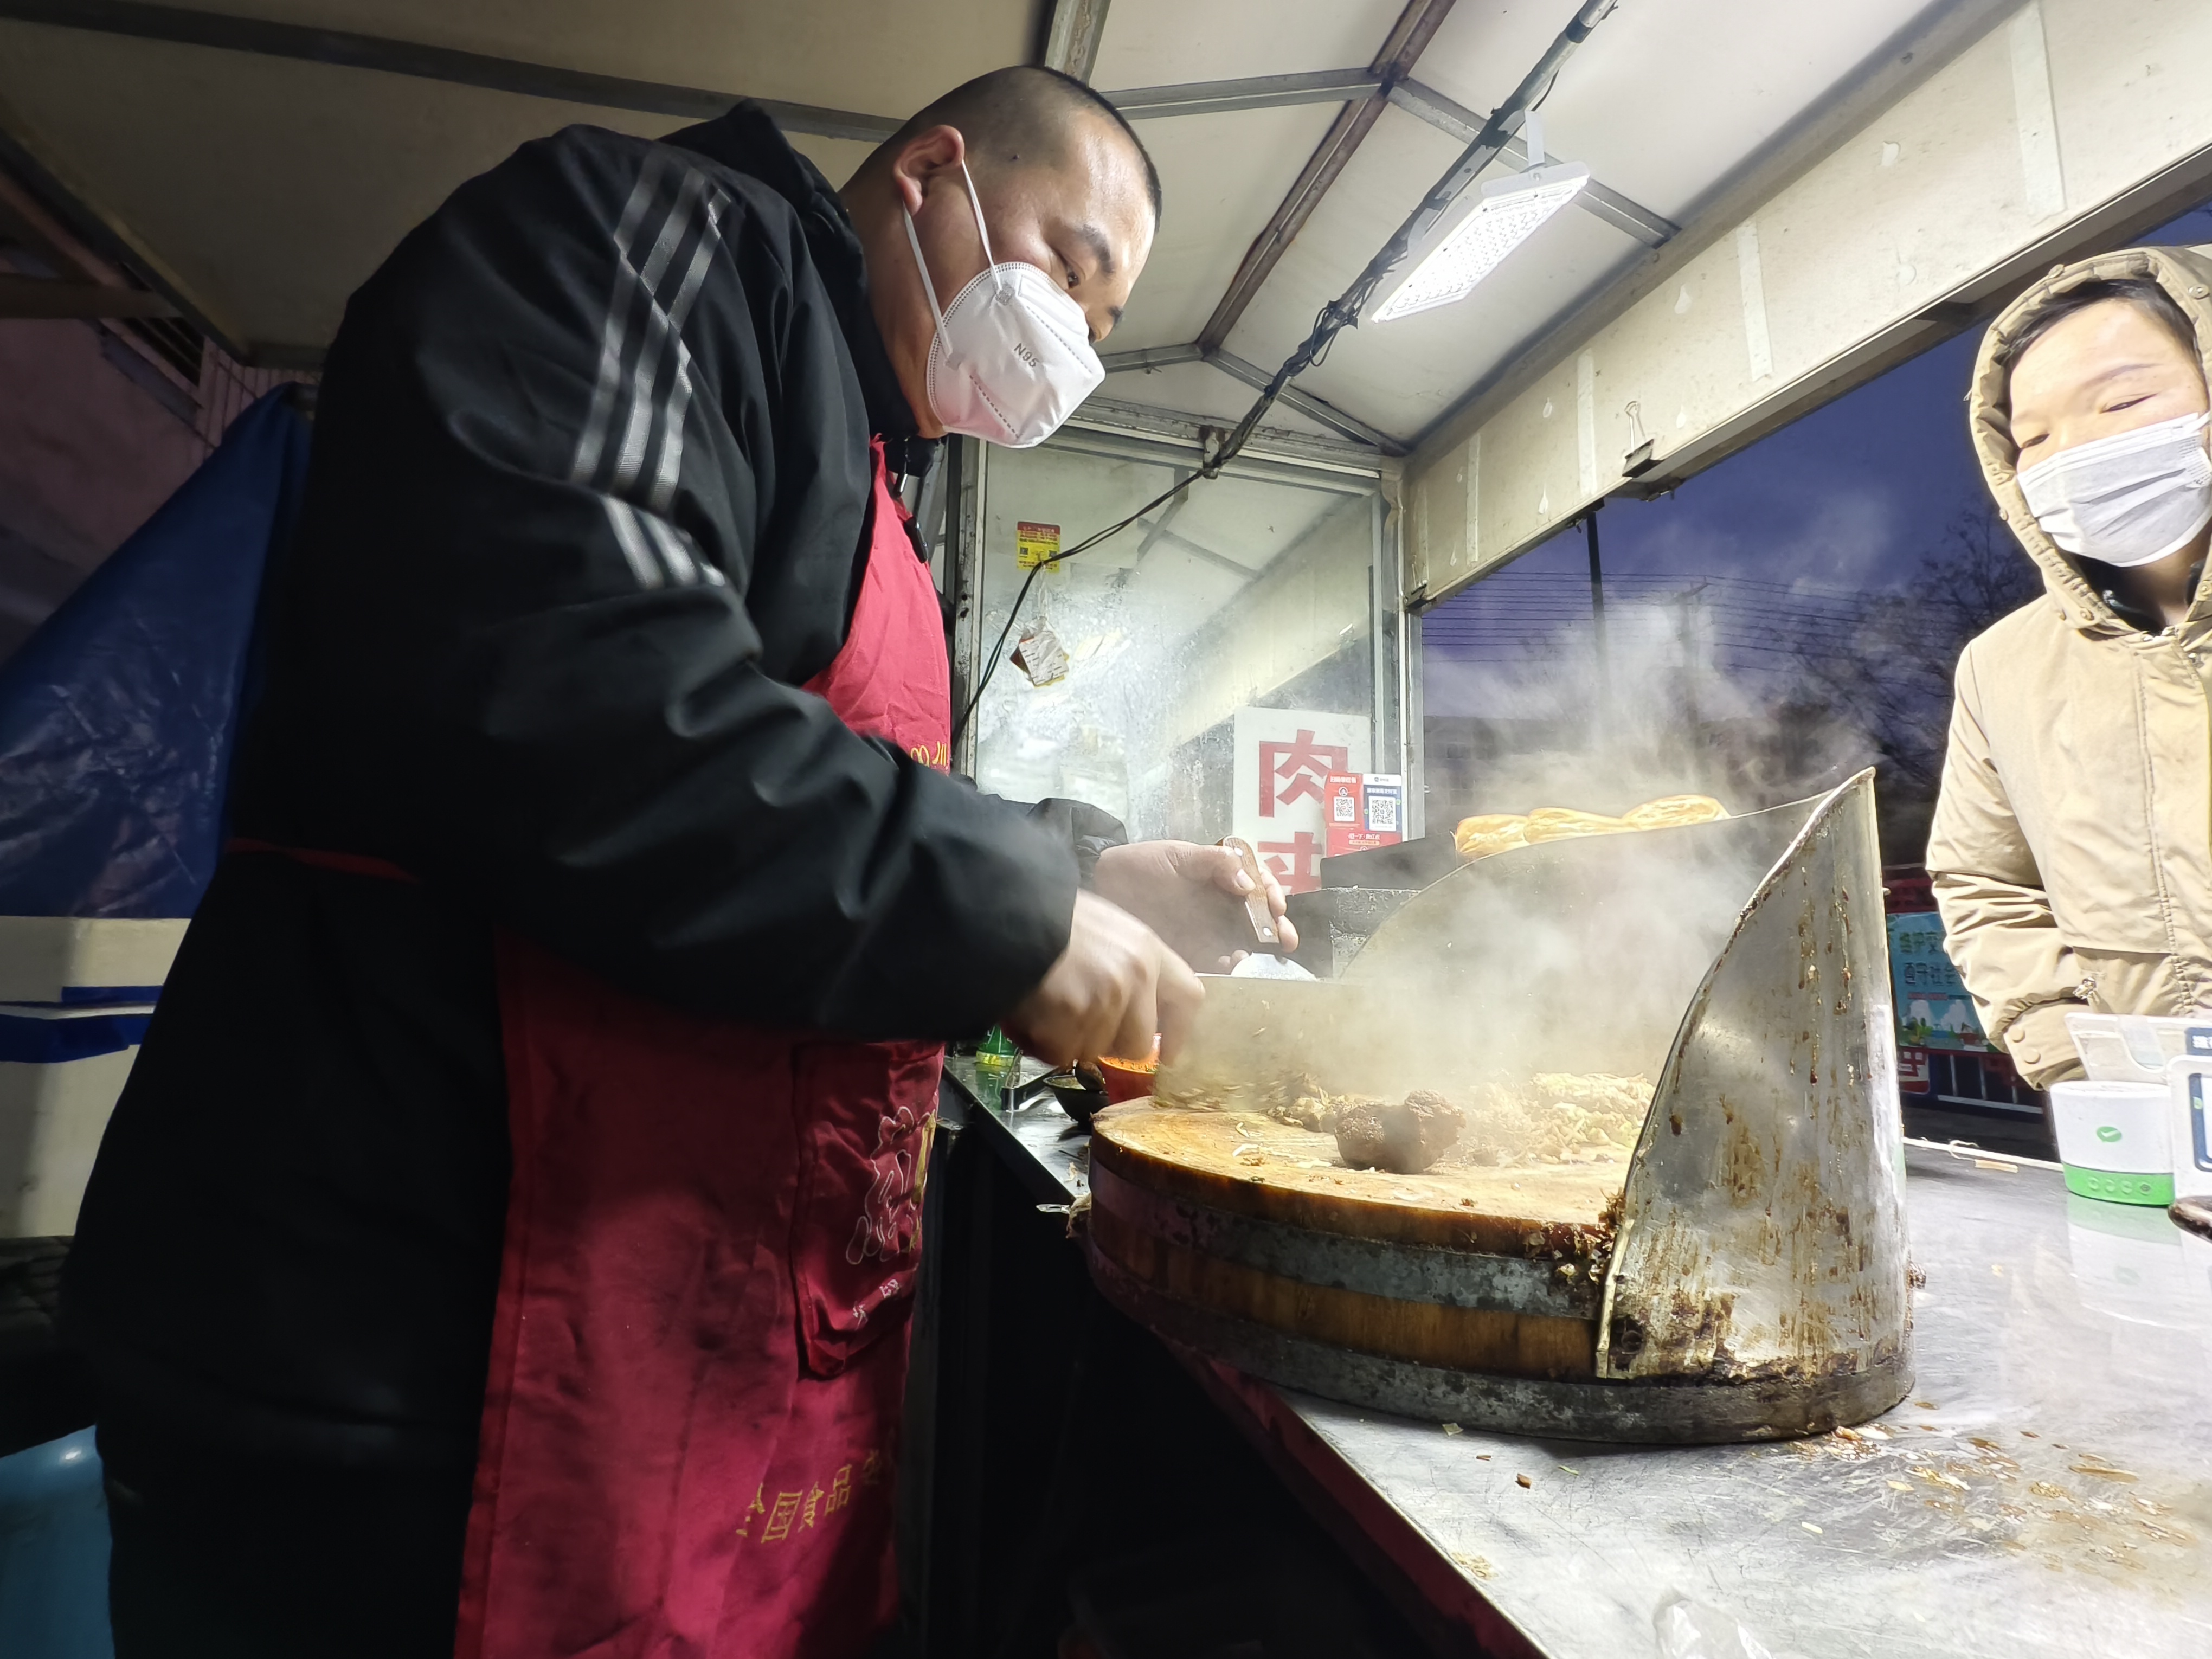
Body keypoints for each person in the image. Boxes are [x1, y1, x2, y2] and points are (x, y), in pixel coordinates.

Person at [62, 67, 1294, 1659]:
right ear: (931, 173)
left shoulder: (872, 478)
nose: (1079, 342)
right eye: (1071, 269)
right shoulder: (654, 240)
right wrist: (1013, 915)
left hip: (671, 1343)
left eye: (1109, 325)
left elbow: (842, 777)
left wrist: (1086, 874)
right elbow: (576, 674)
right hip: (400, 1351)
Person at [1929, 247, 2212, 1090]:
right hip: (2153, 1126)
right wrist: (2070, 1056)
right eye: (2035, 438)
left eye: (2122, 401)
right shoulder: (2002, 666)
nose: (2075, 452)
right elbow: (1985, 880)